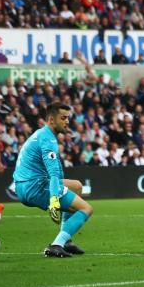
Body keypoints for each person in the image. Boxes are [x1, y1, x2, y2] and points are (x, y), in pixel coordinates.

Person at [13, 102, 93, 258]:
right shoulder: (47, 139)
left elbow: (57, 172)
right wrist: (54, 198)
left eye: (68, 118)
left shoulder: (42, 134)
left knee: (76, 186)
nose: (67, 122)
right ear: (51, 120)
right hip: (34, 187)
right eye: (63, 118)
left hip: (24, 185)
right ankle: (56, 245)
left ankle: (66, 241)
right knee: (86, 209)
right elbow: (53, 173)